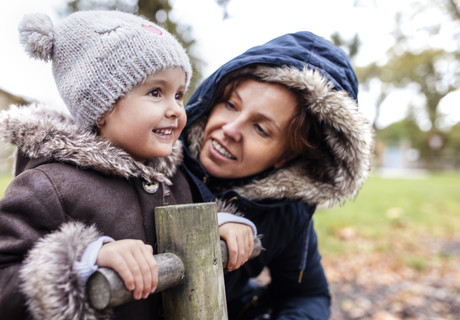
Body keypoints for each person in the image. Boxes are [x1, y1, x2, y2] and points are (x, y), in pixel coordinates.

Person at [0, 11, 255, 320]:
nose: (176, 109)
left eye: (178, 94)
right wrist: (87, 260)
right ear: (102, 107)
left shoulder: (172, 174)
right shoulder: (49, 185)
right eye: (156, 92)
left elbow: (190, 224)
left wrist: (222, 223)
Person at [180, 31, 374, 319]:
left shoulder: (286, 212)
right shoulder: (151, 163)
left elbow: (306, 294)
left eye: (261, 128)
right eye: (231, 104)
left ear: (286, 157)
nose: (230, 129)